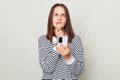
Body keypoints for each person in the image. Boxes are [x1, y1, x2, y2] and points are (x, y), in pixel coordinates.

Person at [38, 3, 85, 80]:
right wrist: (58, 46)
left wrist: (68, 57)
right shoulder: (43, 39)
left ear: (67, 19)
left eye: (63, 15)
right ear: (51, 18)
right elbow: (46, 69)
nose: (59, 18)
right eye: (56, 15)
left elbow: (80, 71)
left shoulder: (76, 39)